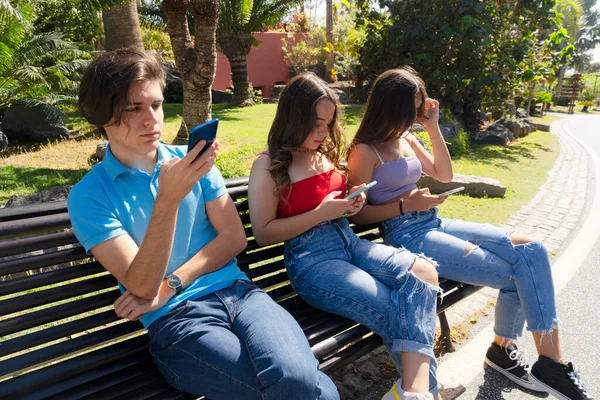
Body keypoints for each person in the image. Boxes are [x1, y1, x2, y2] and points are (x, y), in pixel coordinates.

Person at [67, 48, 339, 400]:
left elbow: (234, 239)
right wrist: (168, 199)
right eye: (134, 108)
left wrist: (172, 283)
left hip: (241, 294)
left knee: (298, 378)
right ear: (101, 113)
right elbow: (141, 284)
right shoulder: (90, 196)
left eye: (156, 104)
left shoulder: (190, 160)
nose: (152, 120)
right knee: (296, 388)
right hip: (178, 323)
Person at [347, 67, 593, 400]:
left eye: (419, 109)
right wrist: (404, 207)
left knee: (532, 249)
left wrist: (432, 128)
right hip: (408, 236)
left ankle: (535, 358)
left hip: (433, 222)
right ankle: (525, 358)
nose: (415, 117)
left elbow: (443, 173)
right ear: (390, 107)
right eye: (412, 110)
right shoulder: (365, 151)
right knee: (517, 273)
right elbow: (359, 214)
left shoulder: (406, 138)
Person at [248, 72, 442, 400]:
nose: (323, 132)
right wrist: (320, 213)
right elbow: (264, 232)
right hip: (313, 263)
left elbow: (338, 202)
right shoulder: (268, 166)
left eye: (327, 123)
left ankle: (412, 391)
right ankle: (426, 394)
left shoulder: (324, 152)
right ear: (292, 119)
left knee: (424, 274)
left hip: (349, 244)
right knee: (396, 308)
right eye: (315, 124)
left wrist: (355, 200)